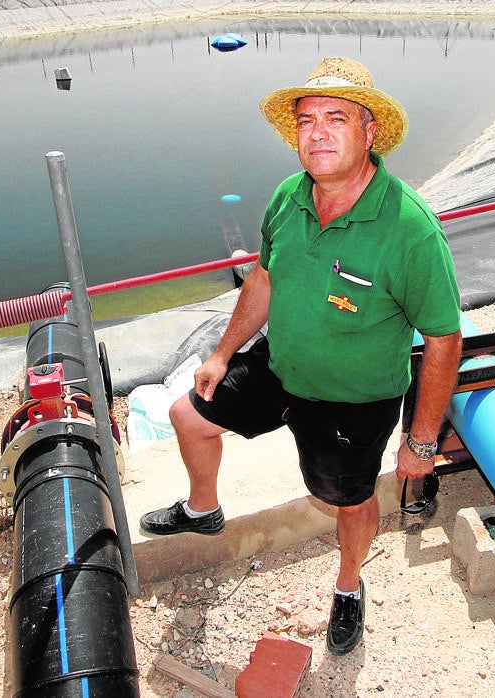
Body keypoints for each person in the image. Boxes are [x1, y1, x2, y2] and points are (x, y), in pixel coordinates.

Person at [139, 57, 463, 656]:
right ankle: (203, 508)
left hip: (352, 399)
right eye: (306, 119)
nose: (316, 132)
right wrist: (220, 353)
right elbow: (263, 277)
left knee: (349, 501)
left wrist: (420, 442)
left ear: (370, 132)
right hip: (280, 365)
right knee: (189, 414)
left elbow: (444, 340)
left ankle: (348, 587)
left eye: (336, 118)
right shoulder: (289, 196)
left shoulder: (410, 229)